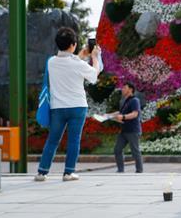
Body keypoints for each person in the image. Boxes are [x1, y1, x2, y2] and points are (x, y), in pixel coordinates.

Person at [35, 27, 103, 182]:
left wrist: (81, 55)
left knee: (52, 140)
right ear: (73, 45)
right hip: (77, 107)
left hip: (58, 108)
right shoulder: (78, 64)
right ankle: (68, 173)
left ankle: (42, 172)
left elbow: (67, 63)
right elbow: (94, 75)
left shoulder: (51, 62)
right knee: (74, 140)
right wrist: (95, 57)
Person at [113, 82, 143, 174]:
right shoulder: (125, 101)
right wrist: (108, 116)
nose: (122, 89)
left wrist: (123, 117)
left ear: (130, 89)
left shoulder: (135, 100)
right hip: (124, 130)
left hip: (133, 130)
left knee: (135, 150)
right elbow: (120, 113)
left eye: (124, 88)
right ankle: (120, 170)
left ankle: (139, 170)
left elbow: (135, 114)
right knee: (117, 149)